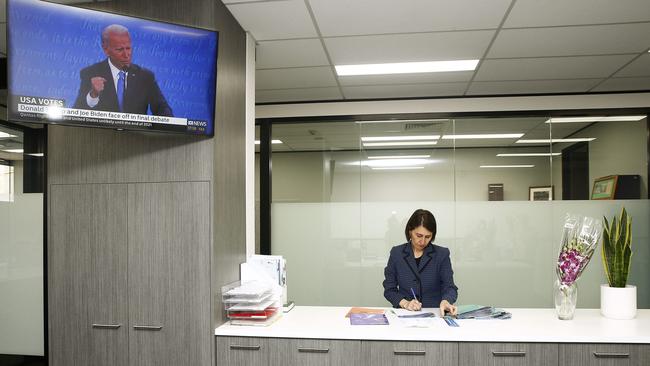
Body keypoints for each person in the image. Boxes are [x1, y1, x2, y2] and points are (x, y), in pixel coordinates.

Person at [73, 24, 173, 116]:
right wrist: (93, 94)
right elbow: (77, 112)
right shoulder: (90, 73)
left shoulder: (145, 76)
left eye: (128, 48)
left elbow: (162, 108)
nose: (126, 55)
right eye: (120, 49)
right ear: (106, 49)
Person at [383, 209, 458, 316]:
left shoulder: (442, 254)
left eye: (428, 237)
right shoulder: (397, 253)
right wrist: (405, 303)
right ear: (410, 231)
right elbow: (389, 289)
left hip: (435, 315)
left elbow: (450, 287)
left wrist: (446, 301)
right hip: (405, 314)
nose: (422, 241)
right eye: (418, 235)